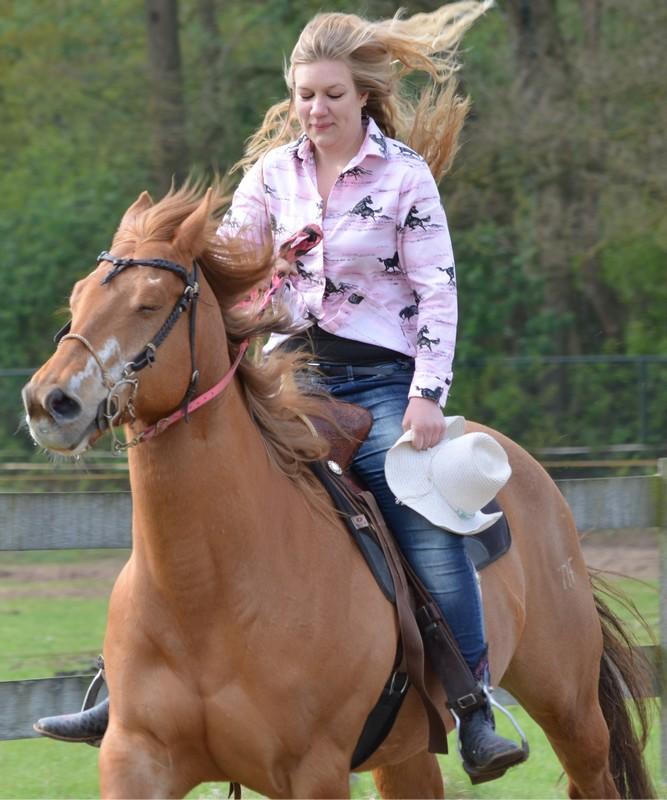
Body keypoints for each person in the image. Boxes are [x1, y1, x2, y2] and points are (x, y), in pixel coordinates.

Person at [34, 2, 527, 784]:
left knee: (422, 519)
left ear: (362, 95)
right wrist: (241, 286)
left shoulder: (403, 176)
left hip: (382, 379)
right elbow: (229, 275)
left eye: (331, 94)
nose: (315, 109)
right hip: (285, 373)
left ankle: (471, 706)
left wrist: (428, 394)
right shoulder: (271, 175)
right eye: (304, 94)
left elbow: (437, 292)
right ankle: (123, 690)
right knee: (192, 507)